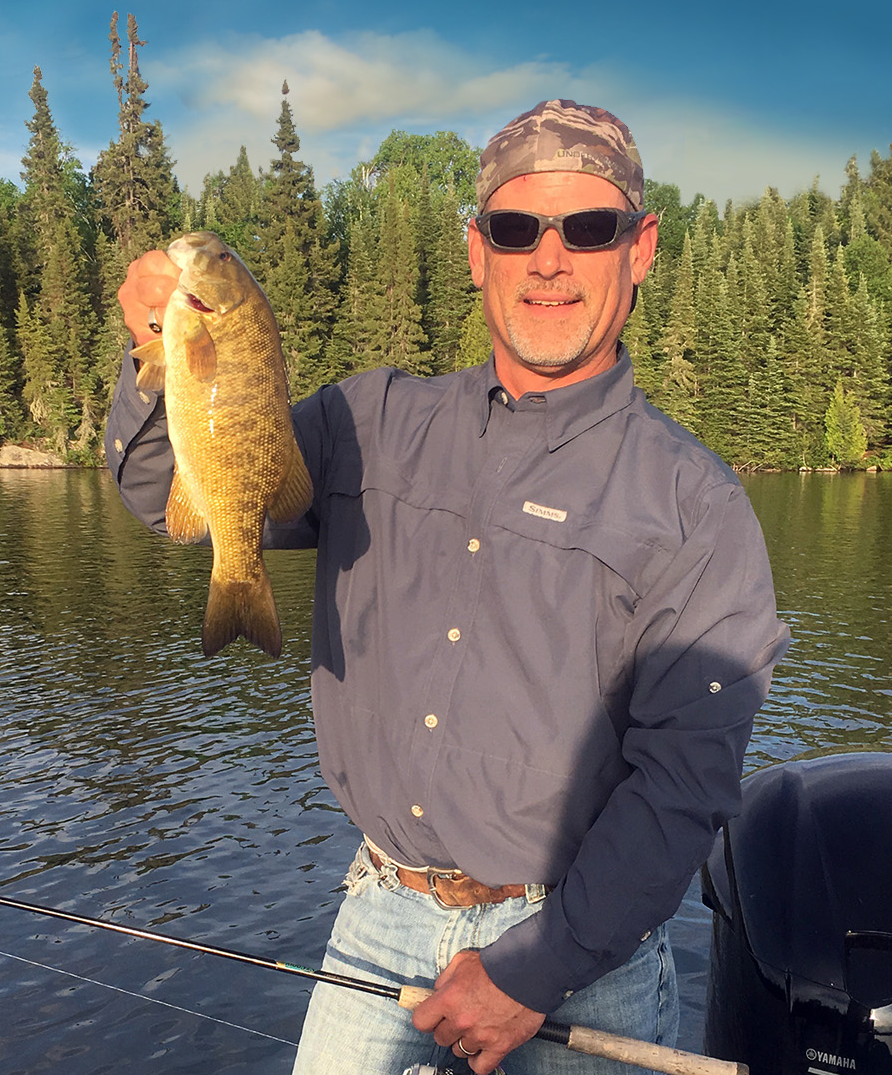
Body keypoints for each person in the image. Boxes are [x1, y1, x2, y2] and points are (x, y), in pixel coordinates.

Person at [103, 99, 790, 1074]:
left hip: (584, 951)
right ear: (478, 251)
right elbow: (154, 492)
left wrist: (532, 970)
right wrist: (152, 352)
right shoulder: (367, 421)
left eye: (587, 228)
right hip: (378, 919)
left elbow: (682, 788)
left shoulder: (697, 509)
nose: (548, 258)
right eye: (516, 228)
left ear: (639, 249)